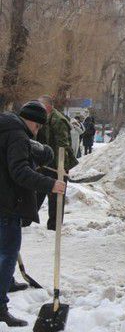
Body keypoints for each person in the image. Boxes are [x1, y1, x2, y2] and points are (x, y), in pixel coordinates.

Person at [0, 101, 66, 327]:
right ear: (32, 122)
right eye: (37, 128)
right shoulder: (18, 135)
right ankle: (0, 307)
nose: (36, 132)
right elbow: (19, 171)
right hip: (6, 204)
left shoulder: (4, 126)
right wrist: (50, 184)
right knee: (8, 253)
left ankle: (7, 282)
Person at [36, 95, 78, 231]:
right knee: (36, 191)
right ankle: (25, 221)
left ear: (47, 107)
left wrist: (62, 168)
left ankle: (54, 227)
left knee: (55, 197)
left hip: (57, 165)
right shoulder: (43, 119)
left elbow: (63, 146)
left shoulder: (58, 120)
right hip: (44, 163)